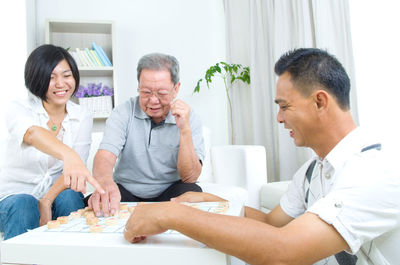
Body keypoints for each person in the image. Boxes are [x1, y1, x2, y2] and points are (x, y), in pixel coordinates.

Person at [123, 48, 399, 265]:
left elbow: (283, 252)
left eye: (284, 106)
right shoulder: (311, 172)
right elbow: (270, 222)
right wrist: (212, 200)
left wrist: (171, 215)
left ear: (320, 102)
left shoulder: (374, 170)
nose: (278, 118)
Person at [0, 44, 104, 240]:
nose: (60, 83)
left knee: (71, 197)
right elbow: (31, 133)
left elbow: (72, 174)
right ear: (37, 78)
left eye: (66, 75)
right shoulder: (18, 108)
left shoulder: (82, 115)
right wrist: (68, 153)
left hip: (55, 193)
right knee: (25, 204)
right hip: (12, 198)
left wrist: (47, 200)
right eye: (50, 77)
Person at [88, 53, 204, 217]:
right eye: (146, 92)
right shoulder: (123, 112)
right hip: (127, 191)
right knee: (95, 203)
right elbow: (105, 156)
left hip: (170, 192)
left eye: (161, 93)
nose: (153, 100)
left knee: (192, 192)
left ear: (176, 89)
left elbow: (190, 177)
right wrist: (106, 182)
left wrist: (184, 130)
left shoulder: (189, 117)